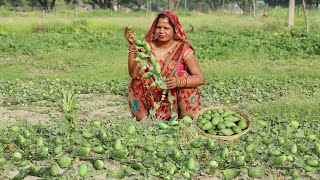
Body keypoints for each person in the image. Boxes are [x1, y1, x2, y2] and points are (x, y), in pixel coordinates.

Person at [124, 10, 205, 120]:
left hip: (174, 100)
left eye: (166, 28)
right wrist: (132, 46)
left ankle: (185, 117)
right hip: (152, 100)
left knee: (184, 78)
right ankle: (144, 117)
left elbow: (200, 78)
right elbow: (134, 74)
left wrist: (178, 81)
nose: (161, 31)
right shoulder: (147, 47)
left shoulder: (183, 49)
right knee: (137, 82)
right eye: (158, 27)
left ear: (174, 30)